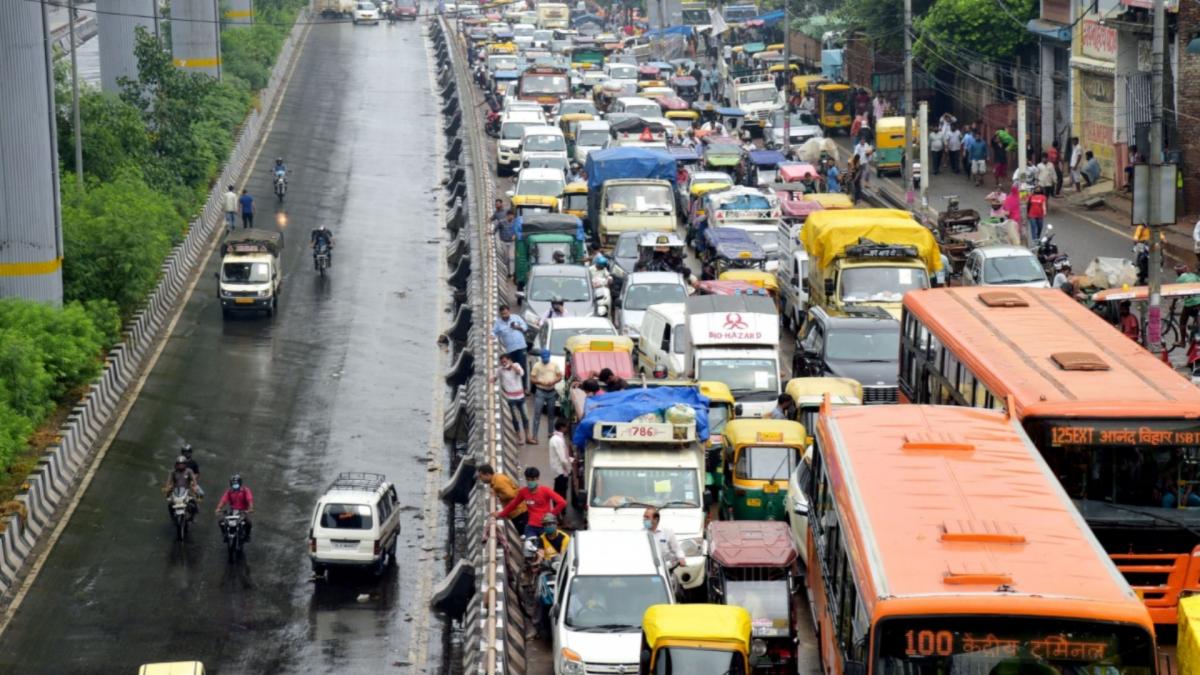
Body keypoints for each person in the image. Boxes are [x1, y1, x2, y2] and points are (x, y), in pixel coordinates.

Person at [492, 466, 566, 537]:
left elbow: (562, 502)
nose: (530, 482)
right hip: (531, 527)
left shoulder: (546, 490)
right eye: (528, 479)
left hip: (545, 527)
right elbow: (513, 504)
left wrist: (551, 514)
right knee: (529, 546)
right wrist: (500, 514)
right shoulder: (523, 492)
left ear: (537, 479)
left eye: (532, 480)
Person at [494, 353, 535, 444]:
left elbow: (521, 373)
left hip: (521, 397)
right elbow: (494, 378)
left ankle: (528, 437)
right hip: (510, 398)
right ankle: (520, 438)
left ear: (509, 360)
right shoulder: (500, 370)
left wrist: (512, 365)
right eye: (502, 362)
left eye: (505, 361)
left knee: (525, 417)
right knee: (515, 419)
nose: (504, 363)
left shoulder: (516, 365)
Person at [478, 463, 529, 534]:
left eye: (481, 476)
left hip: (519, 512)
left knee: (525, 534)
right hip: (517, 511)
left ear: (487, 474)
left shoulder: (499, 482)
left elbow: (510, 494)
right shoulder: (497, 479)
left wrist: (498, 494)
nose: (480, 479)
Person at [493, 304, 529, 390]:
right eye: (503, 314)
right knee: (513, 368)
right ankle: (516, 387)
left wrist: (518, 327)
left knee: (522, 367)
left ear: (509, 311)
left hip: (521, 346)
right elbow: (493, 332)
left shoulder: (516, 318)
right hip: (510, 349)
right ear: (500, 314)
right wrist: (491, 336)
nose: (505, 315)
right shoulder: (498, 323)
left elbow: (525, 327)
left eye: (506, 313)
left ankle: (524, 388)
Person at [529, 348, 562, 440]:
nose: (545, 359)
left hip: (551, 392)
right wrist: (541, 382)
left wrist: (554, 381)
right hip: (540, 391)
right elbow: (532, 378)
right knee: (537, 414)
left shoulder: (554, 365)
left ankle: (550, 432)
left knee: (551, 414)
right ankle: (535, 435)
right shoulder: (537, 366)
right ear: (541, 357)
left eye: (546, 357)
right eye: (543, 357)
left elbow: (559, 376)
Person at [214, 473, 254, 541]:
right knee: (221, 522)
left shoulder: (245, 490)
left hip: (243, 511)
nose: (235, 485)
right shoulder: (229, 491)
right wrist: (218, 508)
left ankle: (247, 536)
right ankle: (225, 534)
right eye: (233, 483)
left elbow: (249, 500)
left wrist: (250, 509)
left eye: (236, 483)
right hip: (232, 511)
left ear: (240, 483)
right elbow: (223, 501)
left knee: (248, 522)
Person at [1176, 263, 1200, 344]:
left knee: (1182, 322)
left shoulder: (1179, 279)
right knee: (1196, 315)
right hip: (1199, 302)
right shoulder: (1194, 275)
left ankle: (1182, 341)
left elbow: (1176, 294)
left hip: (1190, 304)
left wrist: (1172, 306)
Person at [548, 419, 571, 500]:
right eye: (566, 427)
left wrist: (571, 460)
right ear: (562, 427)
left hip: (558, 470)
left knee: (558, 491)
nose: (567, 429)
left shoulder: (557, 438)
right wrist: (568, 469)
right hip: (560, 471)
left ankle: (558, 510)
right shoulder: (558, 440)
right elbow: (563, 459)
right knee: (560, 493)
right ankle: (560, 510)